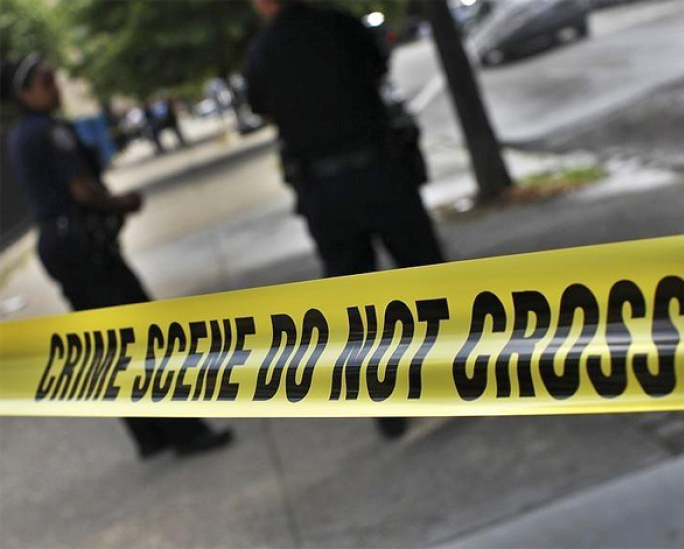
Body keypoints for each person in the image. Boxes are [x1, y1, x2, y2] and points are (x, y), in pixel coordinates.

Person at [2, 54, 231, 459]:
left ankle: (149, 435)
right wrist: (121, 203)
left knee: (107, 343)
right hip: (83, 249)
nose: (55, 85)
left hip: (65, 247)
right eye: (45, 80)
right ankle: (186, 433)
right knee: (141, 336)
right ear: (24, 92)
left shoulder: (23, 135)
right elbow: (82, 190)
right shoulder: (48, 133)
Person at [245, 1, 445, 439]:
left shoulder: (261, 54)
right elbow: (376, 67)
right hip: (380, 171)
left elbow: (262, 108)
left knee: (355, 304)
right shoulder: (337, 24)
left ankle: (388, 409)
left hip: (326, 191)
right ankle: (466, 375)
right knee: (427, 276)